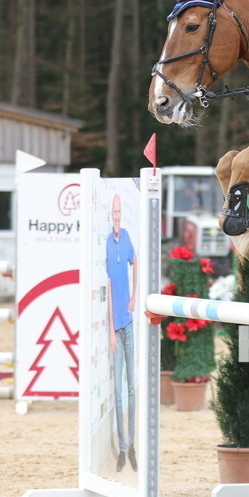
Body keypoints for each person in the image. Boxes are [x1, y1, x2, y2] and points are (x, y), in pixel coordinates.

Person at [105, 193, 138, 473]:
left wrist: (135, 296)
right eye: (113, 211)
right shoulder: (105, 243)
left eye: (119, 210)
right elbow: (106, 289)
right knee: (117, 391)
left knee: (131, 386)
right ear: (109, 214)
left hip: (129, 322)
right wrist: (111, 331)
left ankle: (133, 445)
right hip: (115, 327)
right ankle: (123, 447)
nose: (117, 215)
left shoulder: (126, 237)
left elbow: (135, 261)